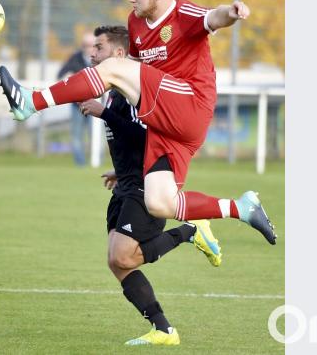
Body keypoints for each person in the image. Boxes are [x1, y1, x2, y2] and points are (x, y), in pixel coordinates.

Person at [0, 0, 277, 244]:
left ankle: (31, 102)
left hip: (190, 102)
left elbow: (213, 16)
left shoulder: (182, 14)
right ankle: (242, 208)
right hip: (166, 123)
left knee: (113, 68)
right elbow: (136, 70)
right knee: (160, 203)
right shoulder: (135, 22)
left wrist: (231, 11)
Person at [78, 25, 222, 346]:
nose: (92, 53)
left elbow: (149, 138)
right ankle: (164, 330)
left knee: (125, 256)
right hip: (126, 183)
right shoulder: (116, 91)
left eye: (98, 47)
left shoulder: (136, 91)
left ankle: (191, 231)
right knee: (117, 262)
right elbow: (134, 142)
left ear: (118, 54)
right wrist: (121, 170)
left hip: (147, 186)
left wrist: (104, 114)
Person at [57, 34, 95, 166]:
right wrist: (70, 78)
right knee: (77, 136)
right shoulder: (75, 58)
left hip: (96, 105)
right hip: (77, 105)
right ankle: (80, 164)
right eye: (85, 45)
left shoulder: (100, 58)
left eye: (91, 45)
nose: (88, 48)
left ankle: (97, 162)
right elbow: (61, 74)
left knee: (97, 136)